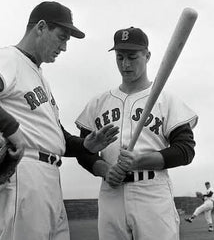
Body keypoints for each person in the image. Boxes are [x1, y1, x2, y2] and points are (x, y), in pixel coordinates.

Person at [0, 1, 119, 240]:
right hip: (22, 171)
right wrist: (9, 126)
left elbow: (55, 137)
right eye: (61, 37)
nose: (64, 47)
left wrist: (84, 145)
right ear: (41, 27)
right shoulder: (8, 59)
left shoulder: (38, 75)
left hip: (47, 177)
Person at [75, 27, 198, 240]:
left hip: (152, 191)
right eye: (120, 57)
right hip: (111, 192)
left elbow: (185, 151)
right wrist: (103, 169)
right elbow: (82, 150)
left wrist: (139, 161)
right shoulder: (98, 103)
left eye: (132, 57)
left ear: (147, 56)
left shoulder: (166, 100)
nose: (125, 64)